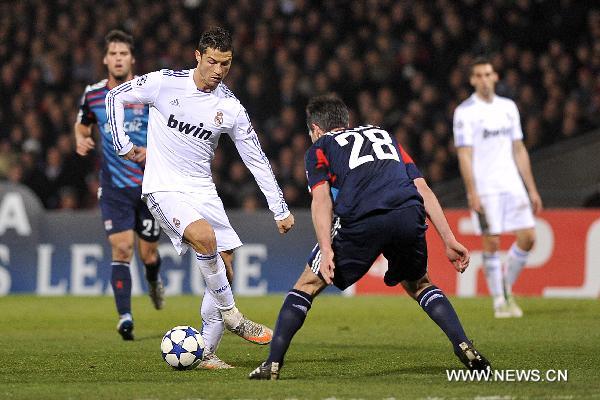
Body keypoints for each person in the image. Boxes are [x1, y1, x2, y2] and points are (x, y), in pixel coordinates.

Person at [249, 95, 490, 380]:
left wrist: (327, 250)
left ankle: (273, 364)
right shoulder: (383, 135)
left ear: (315, 129)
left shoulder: (320, 148)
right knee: (419, 283)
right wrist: (449, 239)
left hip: (363, 218)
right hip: (407, 212)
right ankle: (463, 344)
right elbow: (422, 188)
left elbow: (322, 199)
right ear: (346, 122)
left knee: (307, 284)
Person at [106, 27, 295, 369]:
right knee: (204, 238)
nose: (218, 70)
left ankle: (205, 350)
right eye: (212, 61)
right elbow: (115, 96)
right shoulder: (165, 83)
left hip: (202, 190)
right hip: (164, 186)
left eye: (226, 63)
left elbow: (256, 158)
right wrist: (122, 145)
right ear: (197, 56)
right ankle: (233, 315)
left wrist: (278, 206)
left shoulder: (230, 106)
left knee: (225, 265)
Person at [74, 30, 164, 341]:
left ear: (132, 59)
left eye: (123, 54)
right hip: (114, 188)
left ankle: (153, 280)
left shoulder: (148, 92)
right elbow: (82, 122)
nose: (118, 59)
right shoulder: (94, 94)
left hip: (149, 187)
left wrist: (152, 152)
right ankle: (125, 316)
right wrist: (81, 138)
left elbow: (169, 132)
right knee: (122, 248)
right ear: (105, 59)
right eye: (113, 54)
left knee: (148, 254)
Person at [453, 57, 543, 318]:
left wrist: (532, 188)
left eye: (488, 74)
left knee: (529, 237)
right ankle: (499, 301)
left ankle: (505, 286)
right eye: (478, 75)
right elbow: (464, 154)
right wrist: (472, 190)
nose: (484, 79)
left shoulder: (508, 107)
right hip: (486, 187)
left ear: (495, 77)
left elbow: (519, 149)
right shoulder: (465, 112)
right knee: (491, 241)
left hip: (512, 184)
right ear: (472, 80)